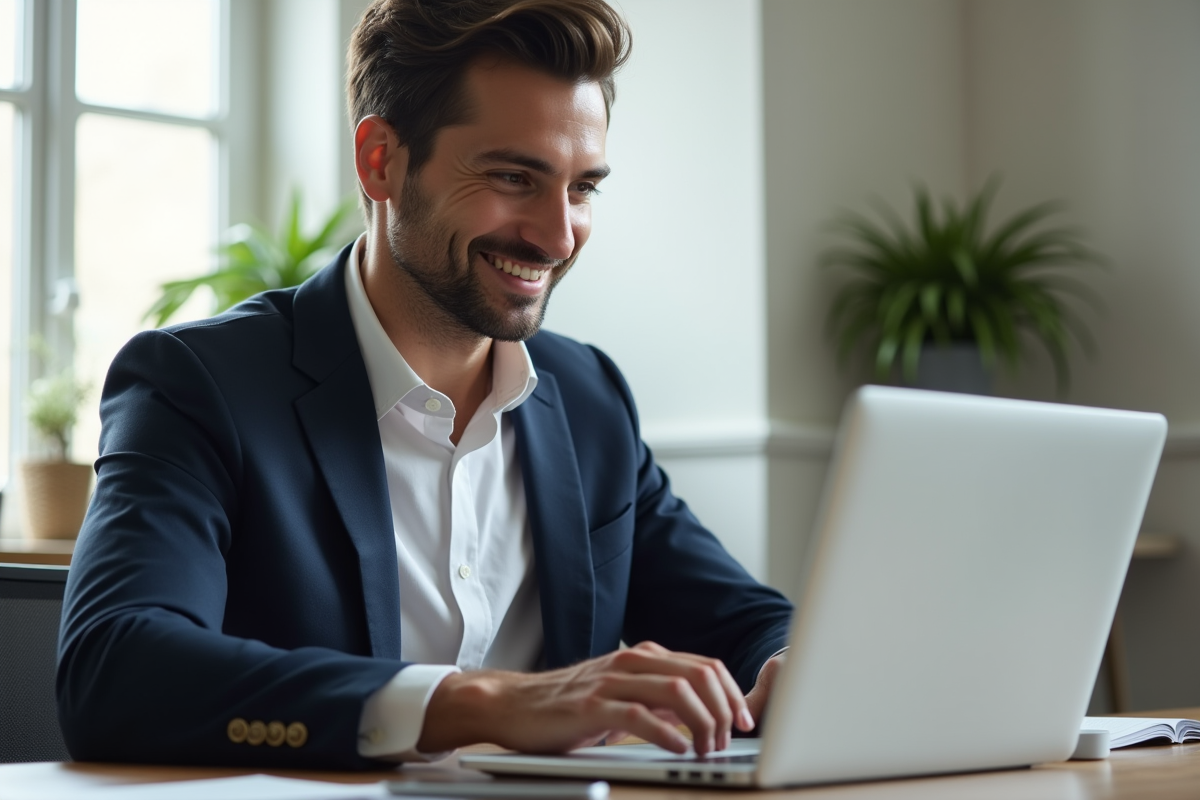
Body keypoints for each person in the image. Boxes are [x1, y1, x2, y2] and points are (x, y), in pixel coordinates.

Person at [57, 0, 792, 769]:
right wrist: (482, 703)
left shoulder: (589, 398)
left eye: (582, 189)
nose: (558, 235)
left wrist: (793, 665)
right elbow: (114, 669)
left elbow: (747, 622)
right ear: (380, 160)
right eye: (513, 177)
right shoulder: (199, 384)